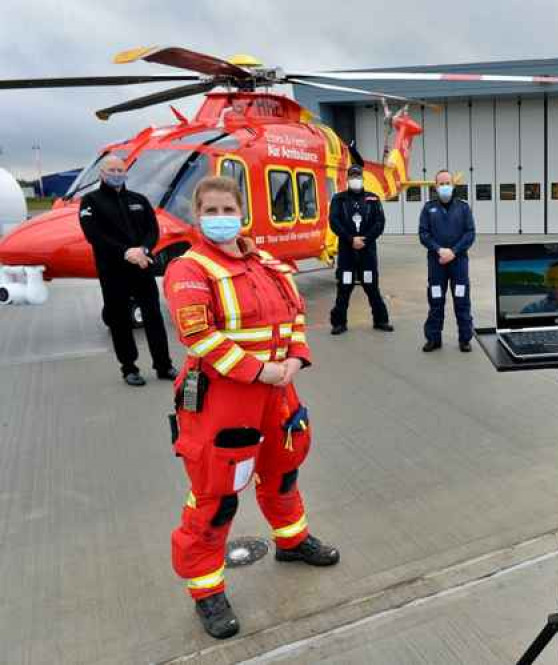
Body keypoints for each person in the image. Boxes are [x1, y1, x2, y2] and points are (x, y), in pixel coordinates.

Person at [164, 176, 339, 640]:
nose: (220, 218)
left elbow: (296, 314)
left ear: (242, 212)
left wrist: (296, 359)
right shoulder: (189, 269)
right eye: (211, 210)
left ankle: (292, 541)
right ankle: (206, 589)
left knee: (284, 469)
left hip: (280, 389)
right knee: (217, 496)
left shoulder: (269, 263)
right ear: (198, 215)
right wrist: (260, 371)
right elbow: (198, 336)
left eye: (228, 209)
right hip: (225, 398)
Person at [78, 155, 175, 386]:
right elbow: (94, 235)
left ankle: (164, 365)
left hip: (142, 268)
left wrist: (143, 249)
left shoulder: (139, 200)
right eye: (112, 170)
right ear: (102, 173)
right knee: (119, 320)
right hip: (113, 272)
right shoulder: (90, 201)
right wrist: (125, 252)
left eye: (121, 170)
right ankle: (129, 368)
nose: (117, 173)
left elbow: (153, 230)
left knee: (154, 317)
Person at [328, 164, 393, 335]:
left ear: (362, 178)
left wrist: (365, 239)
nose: (355, 180)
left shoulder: (373, 199)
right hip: (347, 253)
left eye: (358, 176)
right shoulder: (338, 199)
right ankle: (339, 323)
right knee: (344, 287)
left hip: (367, 252)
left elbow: (380, 223)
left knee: (372, 286)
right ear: (348, 179)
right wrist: (351, 239)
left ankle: (381, 320)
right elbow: (334, 222)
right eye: (352, 177)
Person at [418, 169, 475, 352]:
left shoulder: (463, 207)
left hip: (458, 263)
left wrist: (454, 251)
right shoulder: (428, 208)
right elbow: (423, 234)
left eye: (447, 183)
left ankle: (465, 339)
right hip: (437, 264)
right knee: (436, 300)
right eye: (441, 184)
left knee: (461, 300)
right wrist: (438, 249)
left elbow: (470, 233)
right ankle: (434, 338)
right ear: (435, 186)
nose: (444, 187)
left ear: (453, 185)